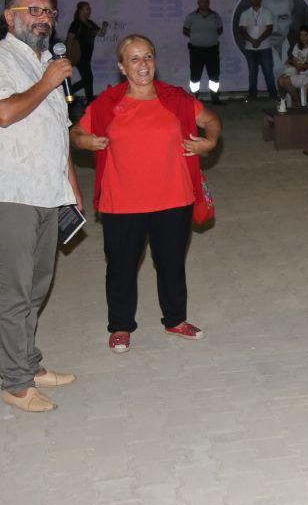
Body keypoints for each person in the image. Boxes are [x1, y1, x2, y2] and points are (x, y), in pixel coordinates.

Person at [0, 0, 81, 413]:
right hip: (9, 193)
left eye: (49, 12)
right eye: (33, 10)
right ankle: (16, 384)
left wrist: (71, 188)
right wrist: (48, 82)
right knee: (14, 293)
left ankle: (29, 364)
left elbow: (58, 132)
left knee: (36, 288)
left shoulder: (45, 61)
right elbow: (4, 113)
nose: (43, 19)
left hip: (47, 191)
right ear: (9, 16)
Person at [72, 34, 221, 354]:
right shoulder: (108, 104)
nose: (143, 64)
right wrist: (86, 142)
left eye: (148, 57)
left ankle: (176, 320)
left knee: (171, 263)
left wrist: (209, 141)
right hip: (122, 202)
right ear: (122, 67)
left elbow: (210, 120)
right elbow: (77, 132)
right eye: (135, 59)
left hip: (174, 198)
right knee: (121, 267)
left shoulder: (174, 99)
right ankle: (120, 326)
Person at [183, 0, 224, 104]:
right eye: (201, 1)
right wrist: (196, 37)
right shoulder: (191, 16)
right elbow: (185, 30)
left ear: (209, 3)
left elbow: (220, 30)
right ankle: (194, 99)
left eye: (206, 1)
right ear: (198, 3)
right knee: (195, 76)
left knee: (214, 75)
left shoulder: (215, 16)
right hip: (196, 51)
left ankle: (215, 98)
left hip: (212, 51)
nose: (204, 3)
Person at [66, 1, 109, 102]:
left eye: (89, 9)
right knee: (88, 79)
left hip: (87, 56)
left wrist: (104, 26)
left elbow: (101, 33)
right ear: (80, 10)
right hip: (79, 56)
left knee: (87, 79)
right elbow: (70, 39)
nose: (89, 11)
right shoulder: (76, 23)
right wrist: (68, 55)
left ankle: (73, 94)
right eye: (87, 9)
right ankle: (76, 95)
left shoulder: (89, 23)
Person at [236, 0, 274, 101]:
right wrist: (252, 41)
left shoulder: (267, 12)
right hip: (250, 48)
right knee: (252, 73)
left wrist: (259, 40)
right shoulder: (245, 14)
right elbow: (242, 30)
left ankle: (273, 95)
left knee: (268, 72)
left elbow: (269, 29)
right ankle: (252, 95)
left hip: (265, 47)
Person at [276, 25, 308, 94]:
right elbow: (293, 60)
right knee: (280, 80)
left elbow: (307, 64)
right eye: (301, 35)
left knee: (285, 80)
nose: (303, 38)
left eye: (305, 35)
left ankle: (295, 99)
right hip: (296, 69)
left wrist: (294, 64)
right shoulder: (297, 45)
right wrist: (293, 63)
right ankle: (284, 98)